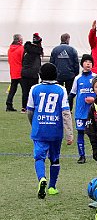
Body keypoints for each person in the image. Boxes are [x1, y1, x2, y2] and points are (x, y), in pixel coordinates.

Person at [26, 63, 73, 199]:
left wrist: (34, 124)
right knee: (55, 158)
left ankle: (42, 178)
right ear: (56, 75)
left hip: (39, 130)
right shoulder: (61, 89)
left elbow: (30, 111)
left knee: (39, 157)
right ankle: (52, 187)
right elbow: (65, 112)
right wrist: (69, 133)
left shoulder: (34, 89)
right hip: (55, 131)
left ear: (40, 75)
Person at [69, 54, 96, 164]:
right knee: (80, 133)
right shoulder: (77, 79)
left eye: (90, 62)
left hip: (93, 112)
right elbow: (72, 94)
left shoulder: (95, 78)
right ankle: (82, 156)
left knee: (94, 134)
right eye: (86, 62)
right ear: (82, 64)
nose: (88, 63)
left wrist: (93, 99)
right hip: (80, 112)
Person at [49, 33, 80, 104]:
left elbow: (51, 63)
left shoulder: (55, 50)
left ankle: (58, 106)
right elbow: (76, 63)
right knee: (69, 93)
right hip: (70, 75)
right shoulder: (72, 50)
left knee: (58, 92)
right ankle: (68, 108)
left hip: (58, 75)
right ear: (68, 39)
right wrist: (75, 74)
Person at [21, 33, 43, 113]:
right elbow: (38, 65)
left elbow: (22, 61)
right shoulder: (37, 52)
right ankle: (33, 106)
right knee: (33, 91)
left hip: (24, 73)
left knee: (25, 92)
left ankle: (24, 107)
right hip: (33, 74)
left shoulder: (26, 51)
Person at [6, 34, 24, 112]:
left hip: (13, 71)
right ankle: (25, 106)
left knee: (13, 89)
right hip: (21, 72)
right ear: (19, 40)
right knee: (25, 90)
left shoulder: (10, 49)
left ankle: (9, 104)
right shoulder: (21, 48)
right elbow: (23, 60)